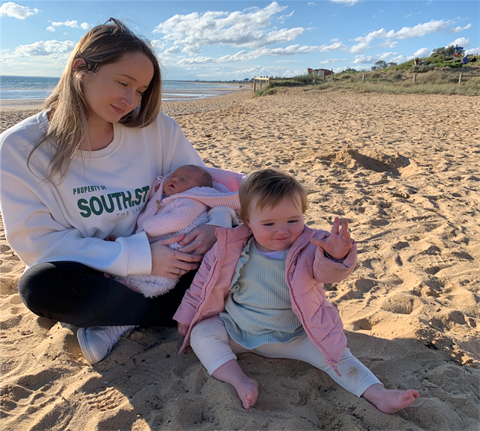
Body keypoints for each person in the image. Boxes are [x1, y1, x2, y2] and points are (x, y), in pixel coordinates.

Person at [0, 19, 238, 365]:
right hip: (97, 269)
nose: (131, 100)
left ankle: (129, 316)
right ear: (81, 69)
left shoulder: (158, 129)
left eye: (141, 89)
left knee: (243, 252)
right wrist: (139, 256)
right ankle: (193, 307)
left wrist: (215, 226)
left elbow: (207, 186)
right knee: (40, 286)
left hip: (174, 263)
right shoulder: (21, 147)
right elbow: (38, 245)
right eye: (123, 83)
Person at [174, 169, 420, 413]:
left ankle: (378, 394)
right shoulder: (230, 247)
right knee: (201, 334)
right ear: (247, 220)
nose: (283, 230)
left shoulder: (313, 246)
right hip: (238, 329)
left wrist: (337, 255)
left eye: (293, 220)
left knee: (338, 356)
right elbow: (204, 282)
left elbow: (329, 273)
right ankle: (238, 380)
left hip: (295, 335)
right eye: (269, 223)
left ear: (303, 214)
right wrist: (188, 314)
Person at [110, 164, 243, 298]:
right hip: (151, 242)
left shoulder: (192, 202)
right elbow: (145, 217)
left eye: (184, 180)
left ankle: (135, 283)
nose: (175, 180)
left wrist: (148, 226)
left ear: (197, 189)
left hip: (173, 244)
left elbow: (178, 220)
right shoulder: (163, 198)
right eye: (173, 176)